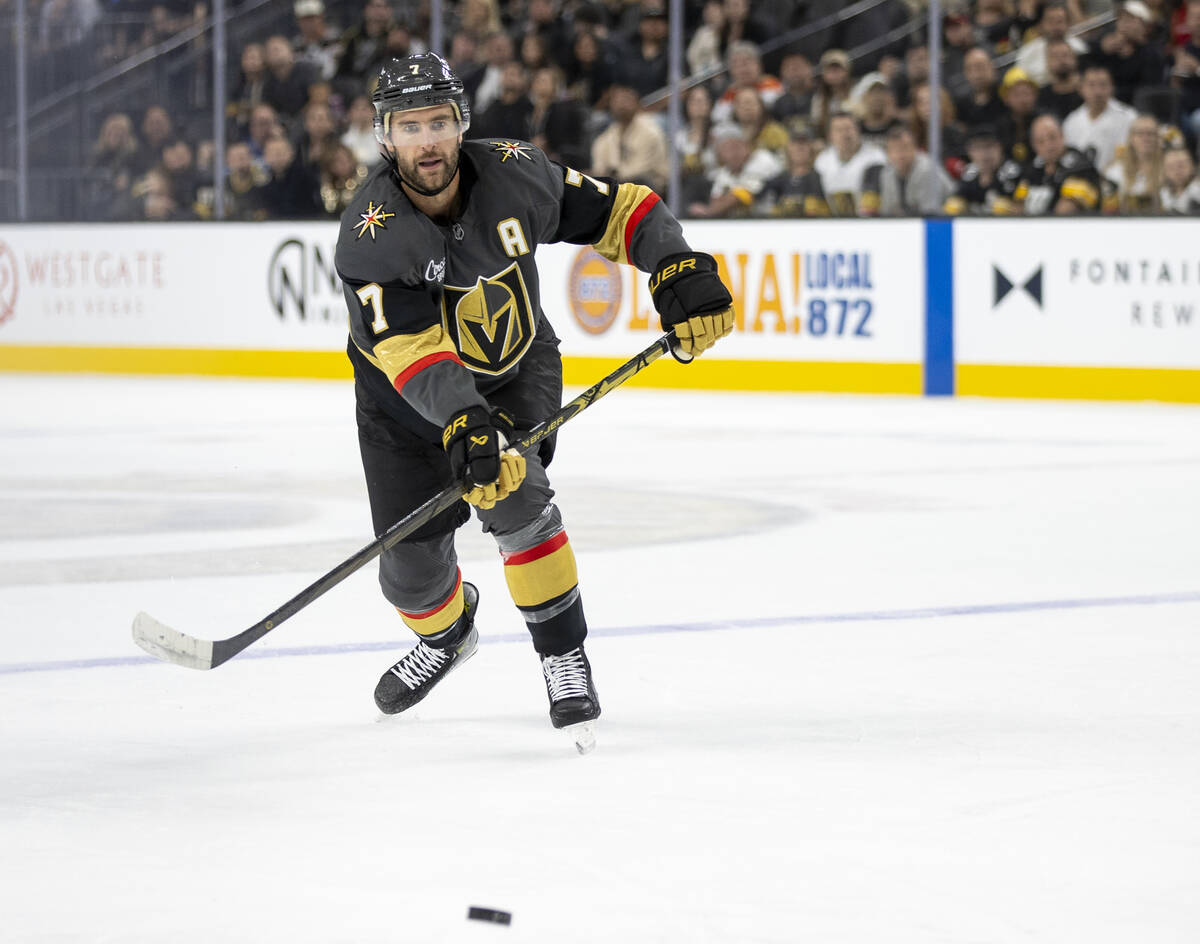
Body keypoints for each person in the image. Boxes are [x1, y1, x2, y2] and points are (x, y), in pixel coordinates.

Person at [333, 53, 734, 743]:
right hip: (402, 411)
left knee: (516, 498)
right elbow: (410, 354)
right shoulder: (370, 234)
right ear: (385, 137)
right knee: (409, 580)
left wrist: (675, 265)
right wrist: (464, 423)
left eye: (438, 122)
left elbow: (626, 212)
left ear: (460, 123)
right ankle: (450, 633)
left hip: (517, 372)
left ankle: (564, 656)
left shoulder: (515, 172)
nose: (427, 140)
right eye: (409, 126)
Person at [1014, 112, 1103, 214]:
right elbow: (1018, 206)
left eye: (1052, 137)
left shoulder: (1081, 165)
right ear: (1034, 146)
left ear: (1062, 135)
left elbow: (1066, 209)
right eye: (1041, 141)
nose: (1049, 146)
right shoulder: (1033, 168)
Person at [590, 83, 669, 193]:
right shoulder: (605, 138)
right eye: (617, 99)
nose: (621, 104)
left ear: (637, 103)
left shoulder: (650, 132)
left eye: (626, 99)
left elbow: (639, 171)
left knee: (640, 181)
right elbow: (599, 171)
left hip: (650, 190)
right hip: (617, 190)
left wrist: (611, 174)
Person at [1063, 64, 1137, 172]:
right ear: (1081, 89)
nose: (1098, 92)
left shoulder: (1129, 117)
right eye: (1091, 85)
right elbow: (1067, 159)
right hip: (1079, 183)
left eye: (1103, 85)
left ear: (1112, 87)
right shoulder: (1071, 121)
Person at [814, 111, 885, 216]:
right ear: (830, 136)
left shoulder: (875, 157)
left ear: (858, 130)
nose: (845, 134)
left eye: (849, 128)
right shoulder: (823, 160)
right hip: (831, 220)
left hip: (868, 219)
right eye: (839, 130)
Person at [943, 124, 1022, 214]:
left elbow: (1022, 205)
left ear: (1000, 147)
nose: (984, 153)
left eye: (989, 146)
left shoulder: (1013, 172)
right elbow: (957, 199)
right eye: (978, 147)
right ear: (969, 152)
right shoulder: (969, 173)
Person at [1103, 113, 1165, 212]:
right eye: (1140, 134)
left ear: (1158, 138)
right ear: (1131, 138)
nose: (1146, 138)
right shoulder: (1115, 169)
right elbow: (1109, 208)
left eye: (1150, 134)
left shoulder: (1168, 168)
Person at [1159, 145, 1200, 212]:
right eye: (1171, 167)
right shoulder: (1161, 194)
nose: (1177, 171)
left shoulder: (1197, 192)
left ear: (1192, 166)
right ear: (1164, 171)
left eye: (1181, 166)